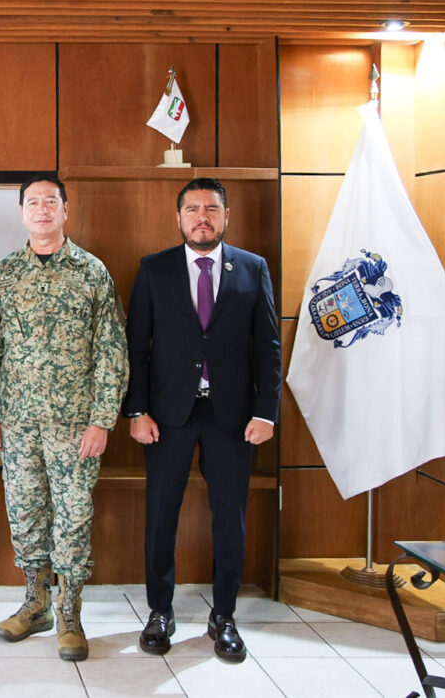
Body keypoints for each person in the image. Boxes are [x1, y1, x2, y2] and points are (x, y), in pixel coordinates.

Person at [124, 177, 280, 663]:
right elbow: (137, 348)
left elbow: (268, 349)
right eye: (192, 208)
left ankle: (225, 616)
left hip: (233, 416)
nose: (201, 216)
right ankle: (160, 612)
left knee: (230, 517)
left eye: (211, 208)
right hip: (167, 416)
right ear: (178, 218)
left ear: (226, 216)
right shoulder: (155, 269)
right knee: (161, 516)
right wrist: (136, 410)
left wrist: (265, 412)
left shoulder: (253, 268)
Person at [0, 175, 129, 662]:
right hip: (18, 423)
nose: (42, 210)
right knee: (25, 515)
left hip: (75, 425)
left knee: (73, 519)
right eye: (33, 203)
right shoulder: (3, 274)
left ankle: (70, 612)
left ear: (65, 210)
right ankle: (35, 602)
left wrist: (103, 419)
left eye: (51, 202)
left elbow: (112, 350)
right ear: (21, 212)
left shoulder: (91, 272)